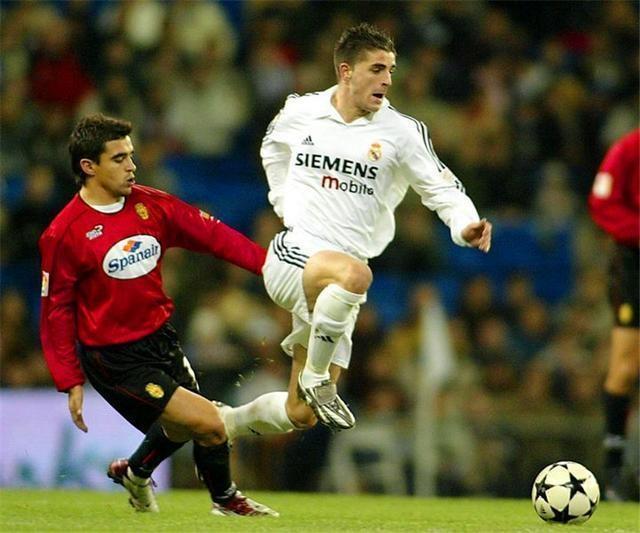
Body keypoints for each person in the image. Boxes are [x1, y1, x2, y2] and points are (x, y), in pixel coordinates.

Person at [220, 24, 491, 440]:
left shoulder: (402, 132)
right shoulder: (300, 111)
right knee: (357, 275)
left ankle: (224, 423)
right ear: (346, 71)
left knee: (300, 413)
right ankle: (316, 377)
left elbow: (441, 187)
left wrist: (464, 224)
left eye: (391, 70)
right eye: (377, 69)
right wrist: (284, 202)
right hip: (296, 255)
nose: (387, 80)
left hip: (342, 284)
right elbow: (272, 150)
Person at [39, 114, 278, 517]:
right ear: (89, 166)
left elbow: (213, 236)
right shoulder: (64, 233)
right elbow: (56, 311)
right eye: (119, 158)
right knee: (210, 422)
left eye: (131, 156)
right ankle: (226, 502)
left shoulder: (151, 205)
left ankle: (135, 473)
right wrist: (69, 380)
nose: (132, 166)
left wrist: (270, 267)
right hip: (116, 358)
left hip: (161, 339)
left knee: (185, 426)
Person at [588, 127, 639, 501]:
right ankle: (614, 469)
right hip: (634, 265)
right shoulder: (628, 150)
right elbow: (602, 203)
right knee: (625, 365)